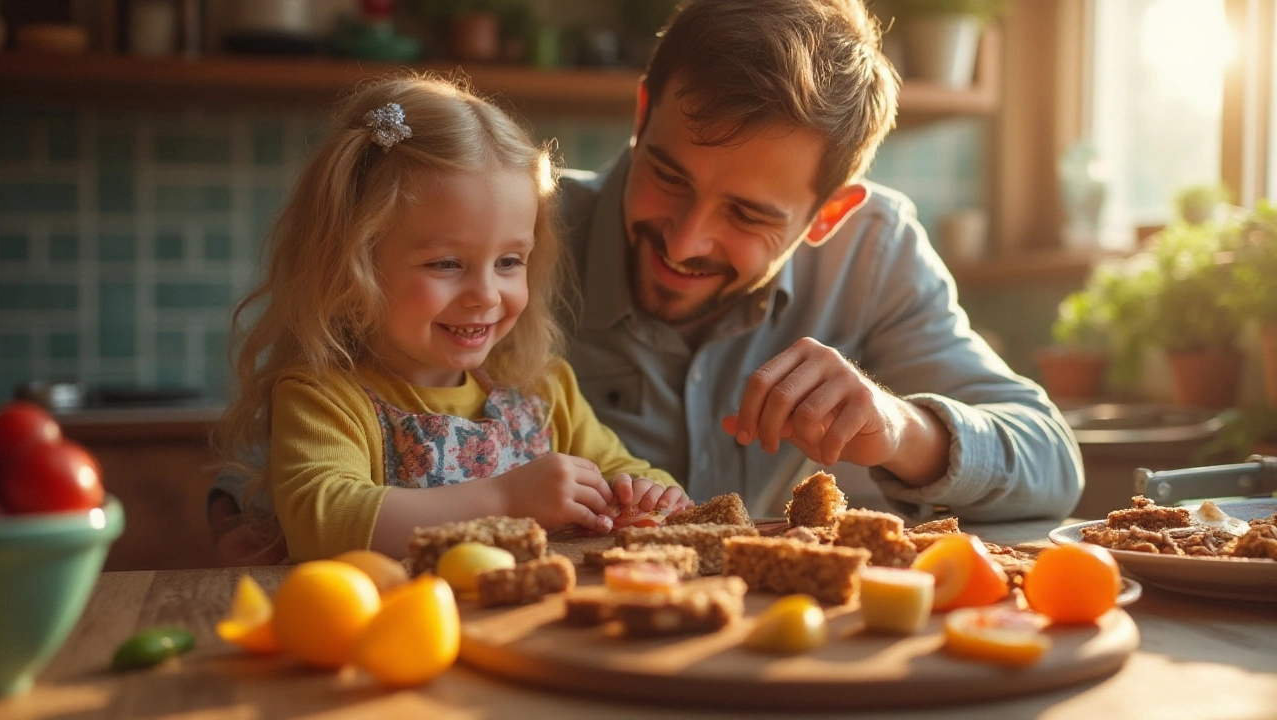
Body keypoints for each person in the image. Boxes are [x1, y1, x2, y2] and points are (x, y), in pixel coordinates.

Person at [556, 0, 1083, 521]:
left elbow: (1052, 462)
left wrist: (899, 428)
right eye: (669, 178)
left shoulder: (872, 251)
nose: (685, 243)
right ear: (643, 113)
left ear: (829, 214)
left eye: (746, 215)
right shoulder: (521, 236)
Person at [211, 76, 690, 564]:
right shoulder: (325, 398)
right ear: (352, 267)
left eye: (509, 262)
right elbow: (324, 521)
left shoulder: (544, 391)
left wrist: (653, 494)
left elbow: (621, 469)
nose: (485, 295)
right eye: (446, 264)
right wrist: (504, 500)